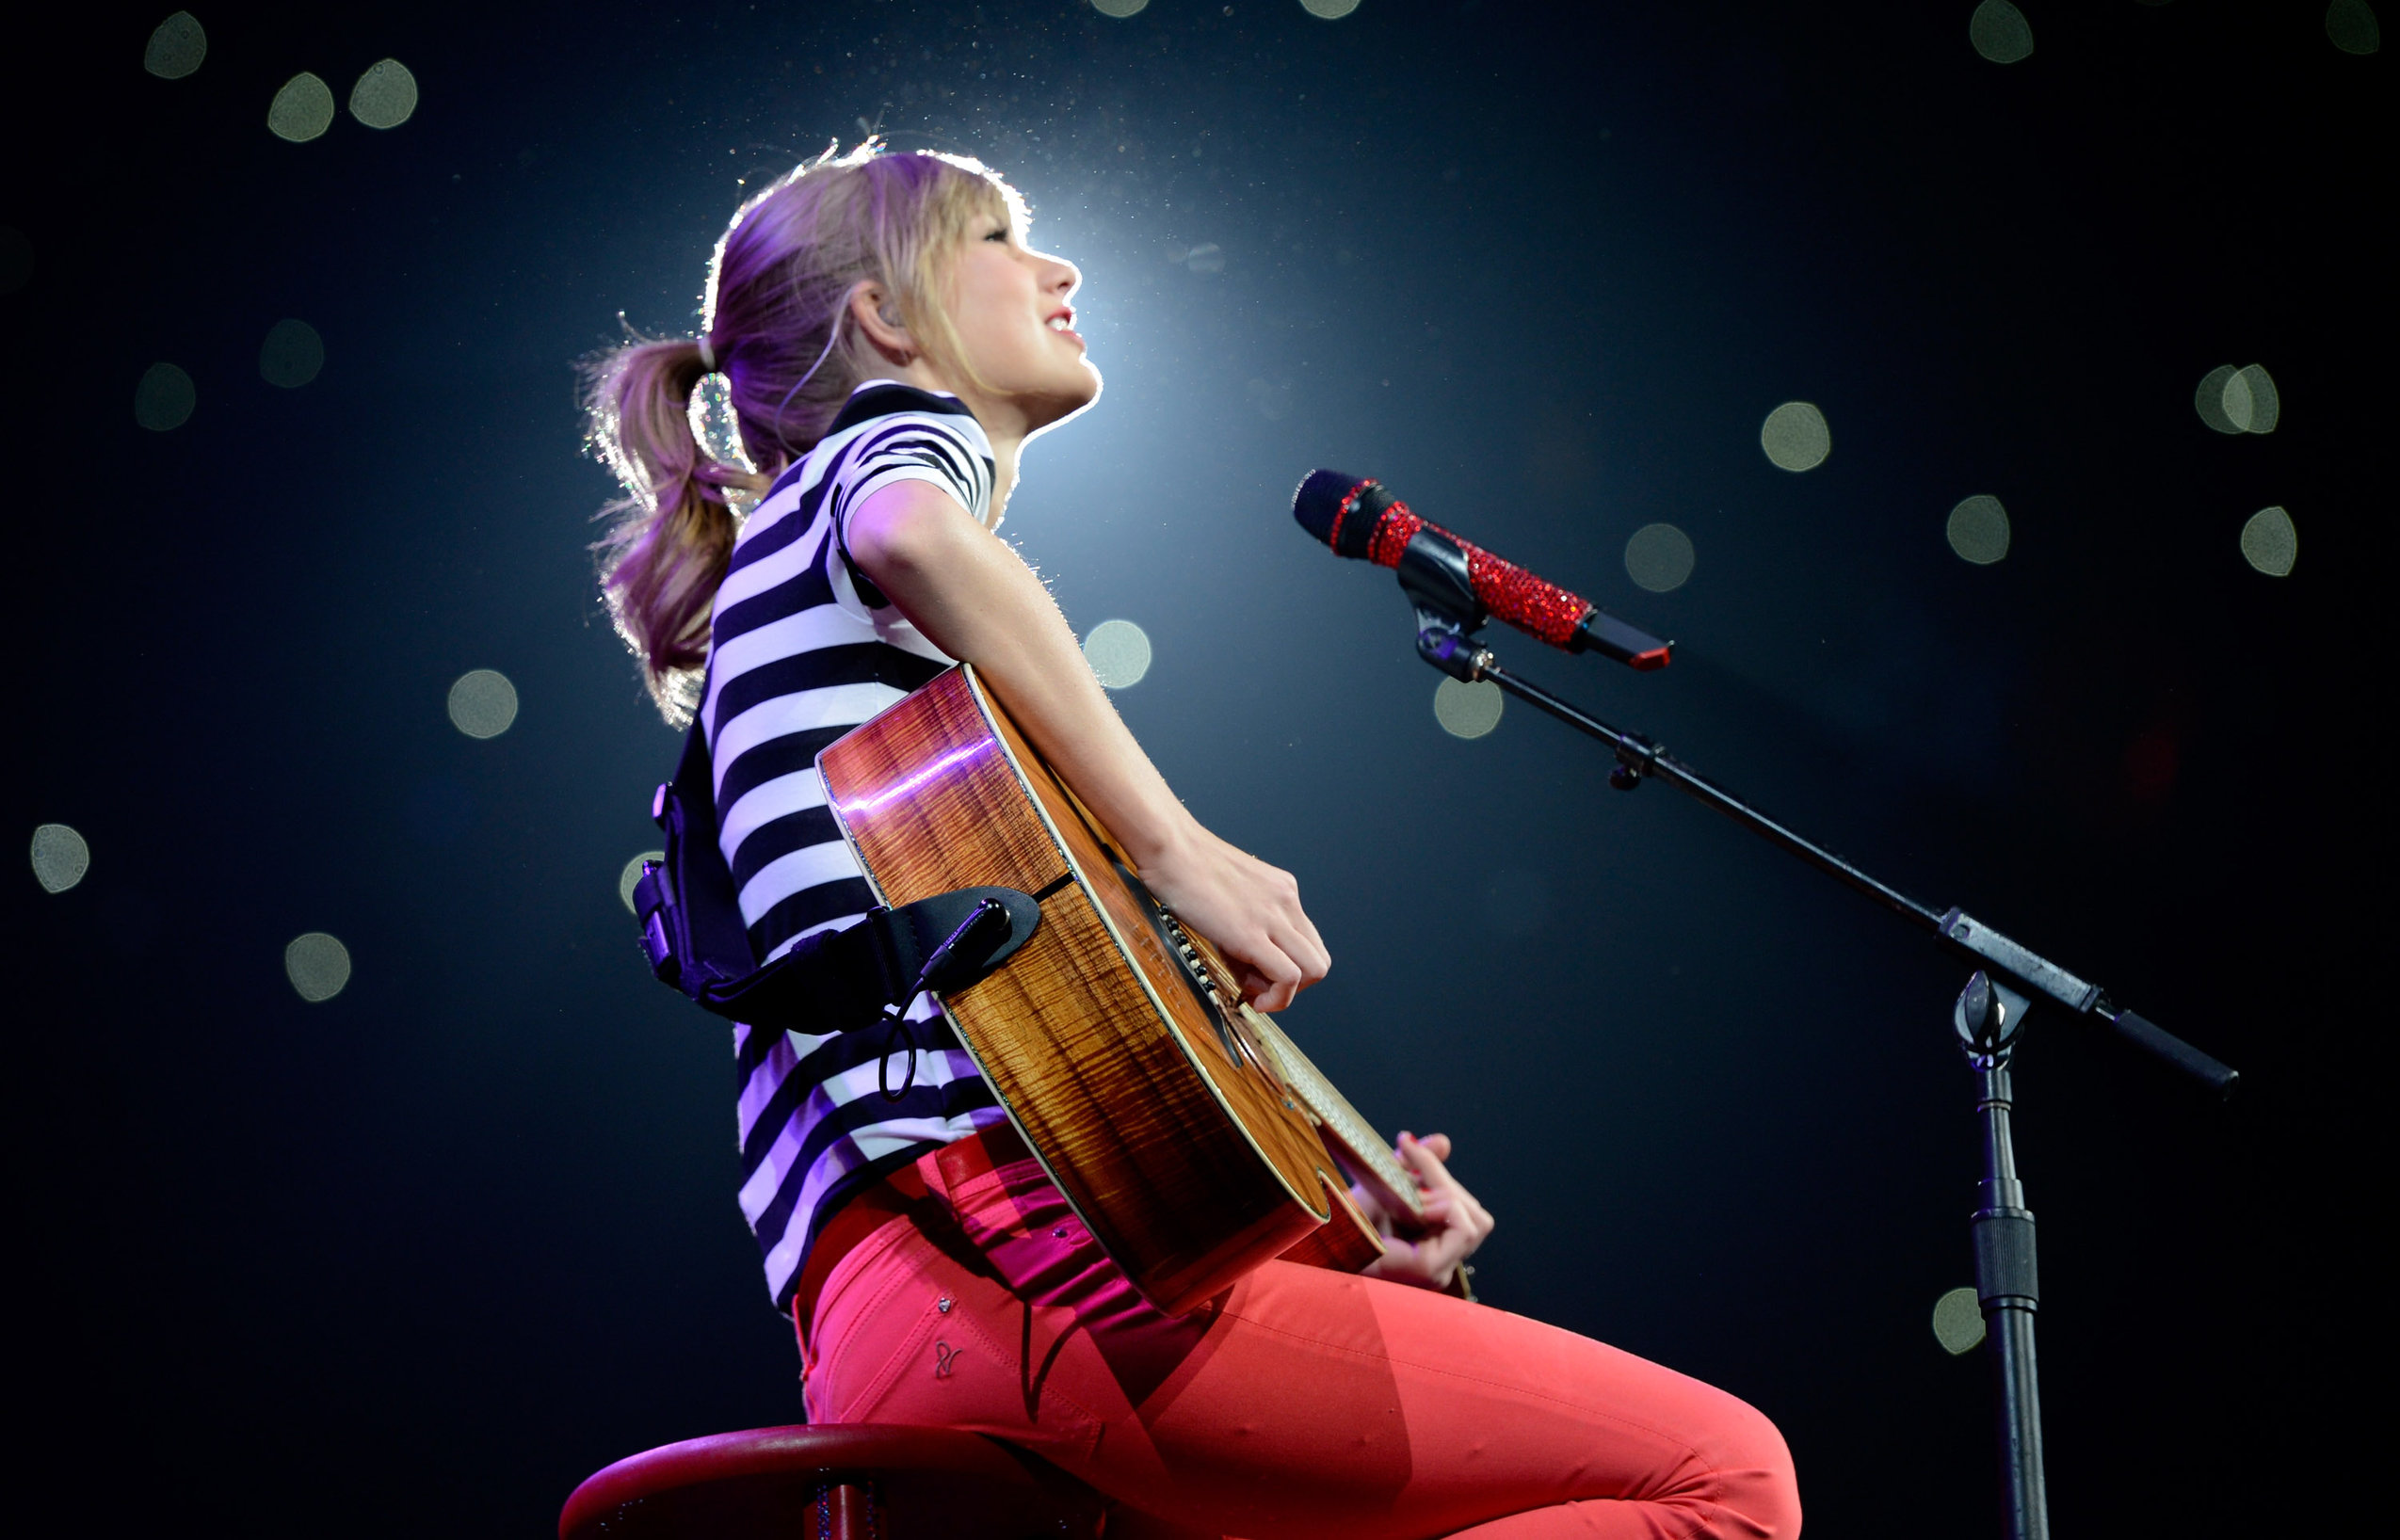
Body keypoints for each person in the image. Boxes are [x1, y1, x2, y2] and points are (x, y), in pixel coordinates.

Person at [586, 143, 1800, 1540]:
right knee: (1725, 1479)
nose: (1059, 269)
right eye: (997, 237)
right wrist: (1171, 846)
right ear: (887, 322)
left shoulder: (832, 657)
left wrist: (1353, 1250)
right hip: (1017, 1278)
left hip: (899, 1317)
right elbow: (916, 525)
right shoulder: (895, 445)